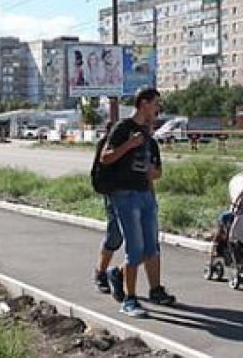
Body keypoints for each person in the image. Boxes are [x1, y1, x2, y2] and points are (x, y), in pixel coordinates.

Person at [100, 88, 175, 317]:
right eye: (155, 104)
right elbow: (106, 157)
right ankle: (129, 300)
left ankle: (155, 290)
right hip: (124, 195)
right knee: (135, 248)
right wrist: (129, 146)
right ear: (143, 104)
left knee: (152, 246)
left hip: (146, 195)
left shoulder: (149, 137)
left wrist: (154, 173)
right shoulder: (123, 128)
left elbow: (157, 170)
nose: (157, 108)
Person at [92, 121, 123, 293]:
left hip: (136, 195)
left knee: (143, 243)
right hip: (114, 194)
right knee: (115, 235)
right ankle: (101, 272)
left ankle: (119, 274)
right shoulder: (106, 146)